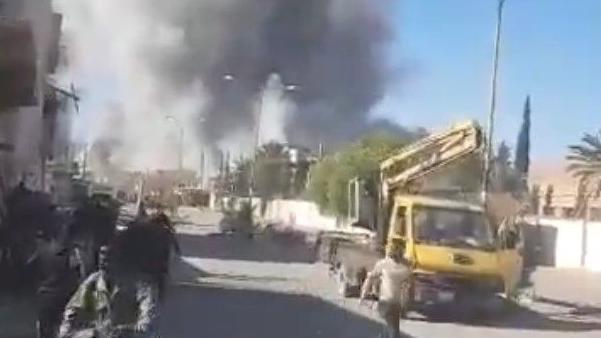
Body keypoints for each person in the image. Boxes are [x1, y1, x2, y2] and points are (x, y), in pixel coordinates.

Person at [57, 226, 161, 338]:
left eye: (110, 256)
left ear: (120, 257)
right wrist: (73, 333)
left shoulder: (141, 285)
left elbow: (149, 325)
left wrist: (121, 332)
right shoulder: (93, 282)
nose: (104, 260)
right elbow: (72, 312)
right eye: (101, 254)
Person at [28, 230, 81, 338]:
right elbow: (77, 272)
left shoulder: (40, 252)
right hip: (63, 294)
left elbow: (28, 269)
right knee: (64, 327)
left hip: (46, 295)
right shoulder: (66, 251)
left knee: (45, 329)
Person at [360, 240, 412, 338]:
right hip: (390, 303)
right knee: (392, 330)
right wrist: (405, 304)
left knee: (390, 329)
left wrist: (363, 295)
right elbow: (406, 289)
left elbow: (370, 278)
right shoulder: (404, 266)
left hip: (391, 303)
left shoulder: (387, 264)